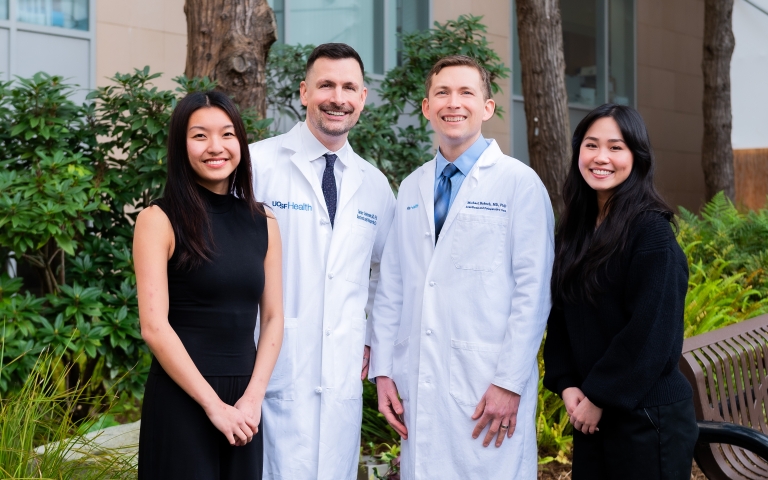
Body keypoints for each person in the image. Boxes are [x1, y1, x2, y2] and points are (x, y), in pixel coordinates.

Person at [369, 55, 555, 479]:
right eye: (442, 93)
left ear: (487, 107)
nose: (454, 103)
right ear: (426, 107)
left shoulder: (518, 183)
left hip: (487, 385)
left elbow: (534, 292)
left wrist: (509, 383)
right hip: (420, 381)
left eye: (466, 92)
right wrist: (383, 373)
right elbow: (392, 285)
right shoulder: (413, 186)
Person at [248, 43, 396, 479]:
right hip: (266, 370)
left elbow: (387, 273)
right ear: (304, 92)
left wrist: (369, 335)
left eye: (349, 87)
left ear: (363, 98)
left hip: (340, 377)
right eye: (326, 84)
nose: (338, 97)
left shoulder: (373, 184)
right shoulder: (258, 164)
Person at [543, 104, 698, 479]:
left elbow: (652, 333)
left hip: (647, 418)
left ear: (637, 157)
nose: (601, 158)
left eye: (616, 147)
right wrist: (567, 385)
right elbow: (562, 314)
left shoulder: (651, 234)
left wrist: (598, 396)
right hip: (591, 416)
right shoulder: (576, 230)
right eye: (591, 145)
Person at [134, 91, 284, 479]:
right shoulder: (158, 219)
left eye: (227, 134)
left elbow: (273, 318)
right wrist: (213, 406)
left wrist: (252, 400)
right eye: (200, 136)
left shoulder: (263, 220)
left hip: (245, 405)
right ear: (181, 146)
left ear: (240, 143)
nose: (215, 147)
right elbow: (154, 326)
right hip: (183, 398)